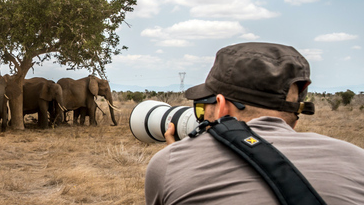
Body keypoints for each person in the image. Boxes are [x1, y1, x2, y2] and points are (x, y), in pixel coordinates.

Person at [145, 42, 364, 205]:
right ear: (294, 118)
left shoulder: (169, 164)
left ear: (222, 107)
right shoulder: (357, 159)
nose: (200, 117)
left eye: (202, 109)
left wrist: (178, 155)